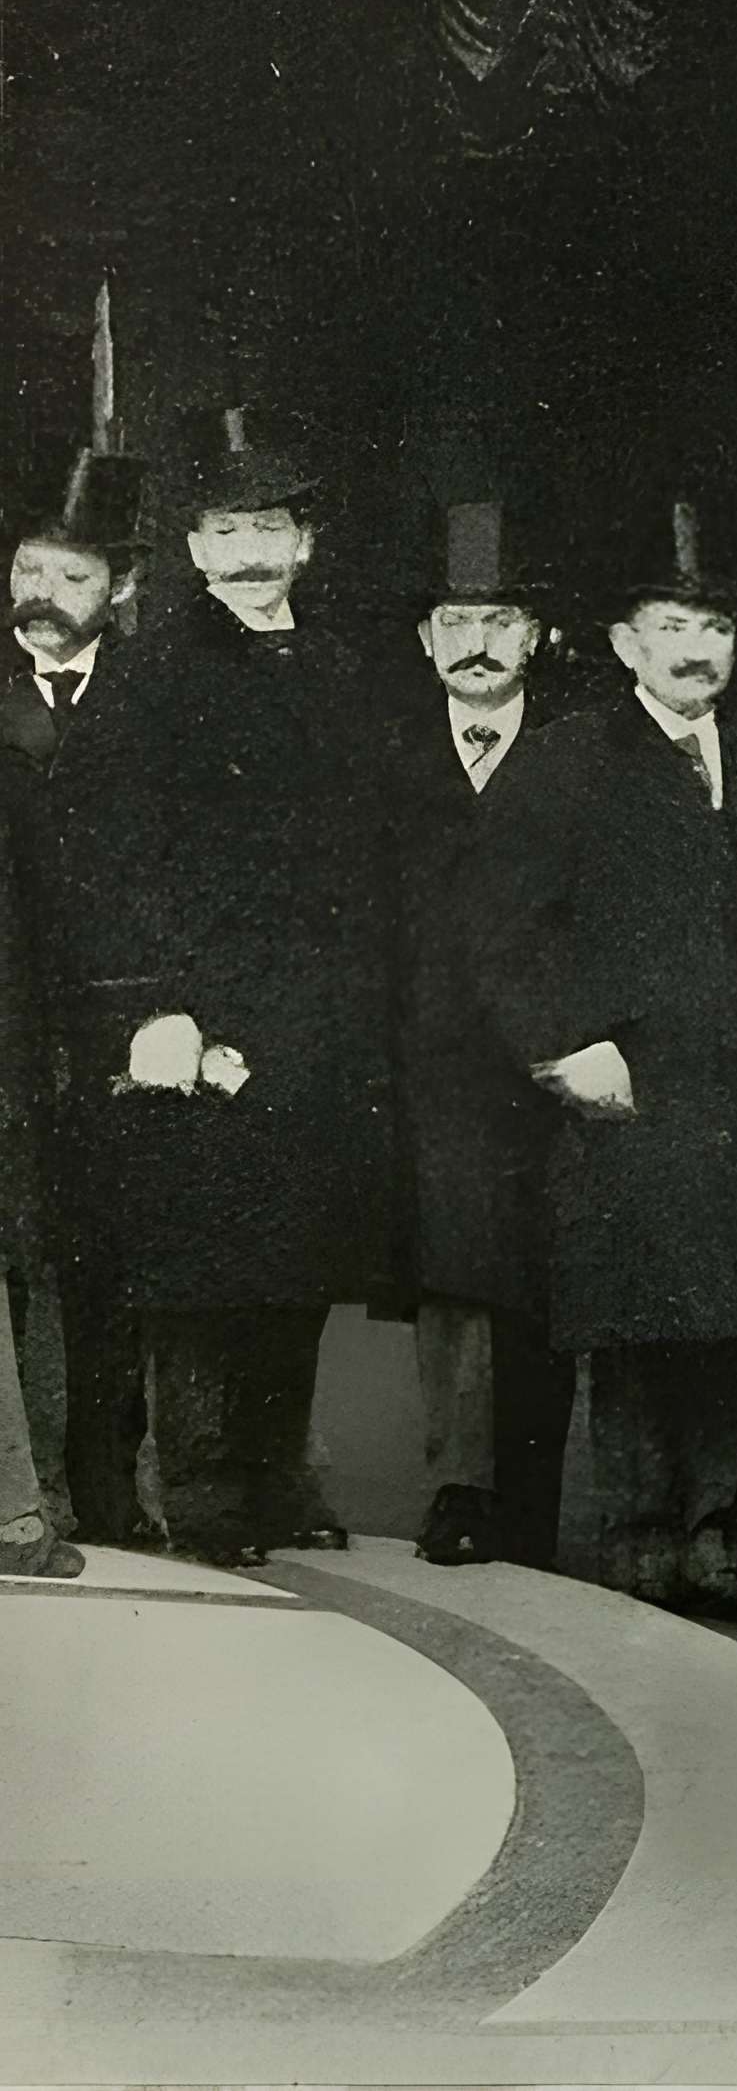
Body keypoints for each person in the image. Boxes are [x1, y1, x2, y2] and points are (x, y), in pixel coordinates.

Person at [462, 498, 737, 1623]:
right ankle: (637, 1540)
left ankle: (717, 1535)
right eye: (672, 624)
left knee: (735, 1326)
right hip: (630, 1094)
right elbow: (496, 928)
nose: (696, 648)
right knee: (639, 1332)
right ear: (625, 643)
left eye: (715, 626)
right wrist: (561, 1050)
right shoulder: (567, 759)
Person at [44, 405, 403, 1568]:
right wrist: (159, 1007)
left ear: (307, 542)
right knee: (205, 1262)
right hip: (199, 1018)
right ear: (194, 550)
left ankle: (273, 1475)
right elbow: (115, 856)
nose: (250, 553)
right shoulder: (150, 679)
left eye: (270, 527)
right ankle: (203, 1493)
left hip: (320, 1017)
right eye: (225, 530)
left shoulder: (345, 669)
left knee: (292, 1259)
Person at [388, 519, 583, 1569]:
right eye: (456, 620)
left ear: (536, 634)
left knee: (548, 1279)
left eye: (499, 619)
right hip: (440, 1068)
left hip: (551, 1059)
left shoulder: (581, 752)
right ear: (425, 639)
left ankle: (538, 1503)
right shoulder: (388, 759)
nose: (477, 641)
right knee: (458, 1281)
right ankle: (461, 1491)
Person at [1, 441, 142, 1546]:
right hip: (4, 1029)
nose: (45, 596)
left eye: (76, 578)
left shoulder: (156, 708)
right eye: (31, 570)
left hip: (114, 1028)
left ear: (124, 590)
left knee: (109, 1264)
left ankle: (105, 1485)